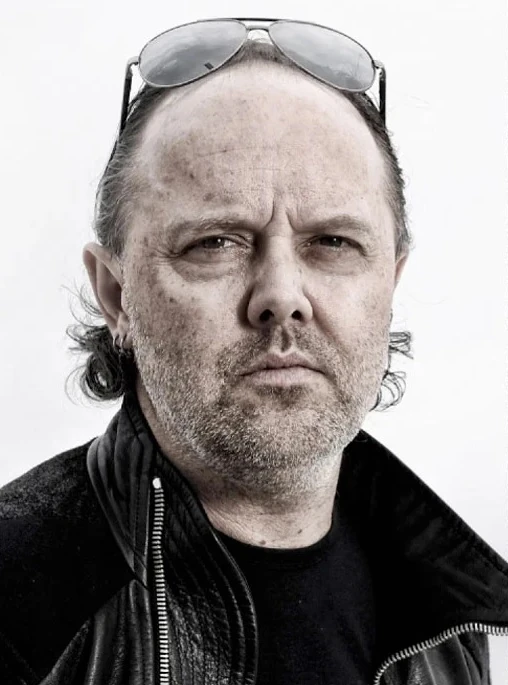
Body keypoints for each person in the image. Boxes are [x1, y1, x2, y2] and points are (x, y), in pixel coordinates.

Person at [0, 18, 507, 685]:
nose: (281, 296)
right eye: (215, 242)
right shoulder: (15, 615)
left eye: (333, 242)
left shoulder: (451, 620)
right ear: (117, 295)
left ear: (390, 284)